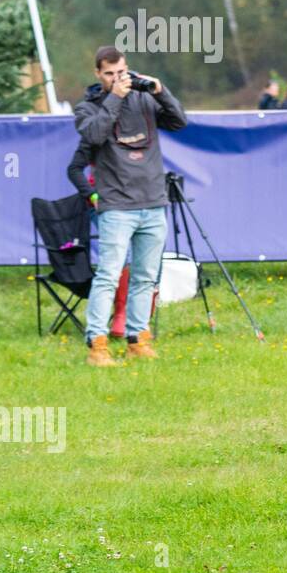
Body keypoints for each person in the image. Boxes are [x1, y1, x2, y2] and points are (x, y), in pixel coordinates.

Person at [74, 46, 187, 366]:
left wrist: (161, 90)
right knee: (108, 276)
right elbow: (94, 135)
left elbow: (179, 121)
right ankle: (97, 345)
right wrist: (115, 97)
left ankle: (138, 339)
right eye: (108, 74)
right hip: (116, 206)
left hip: (152, 202)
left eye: (120, 72)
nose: (116, 79)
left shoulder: (145, 99)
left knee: (146, 277)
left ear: (128, 68)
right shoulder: (87, 108)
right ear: (98, 74)